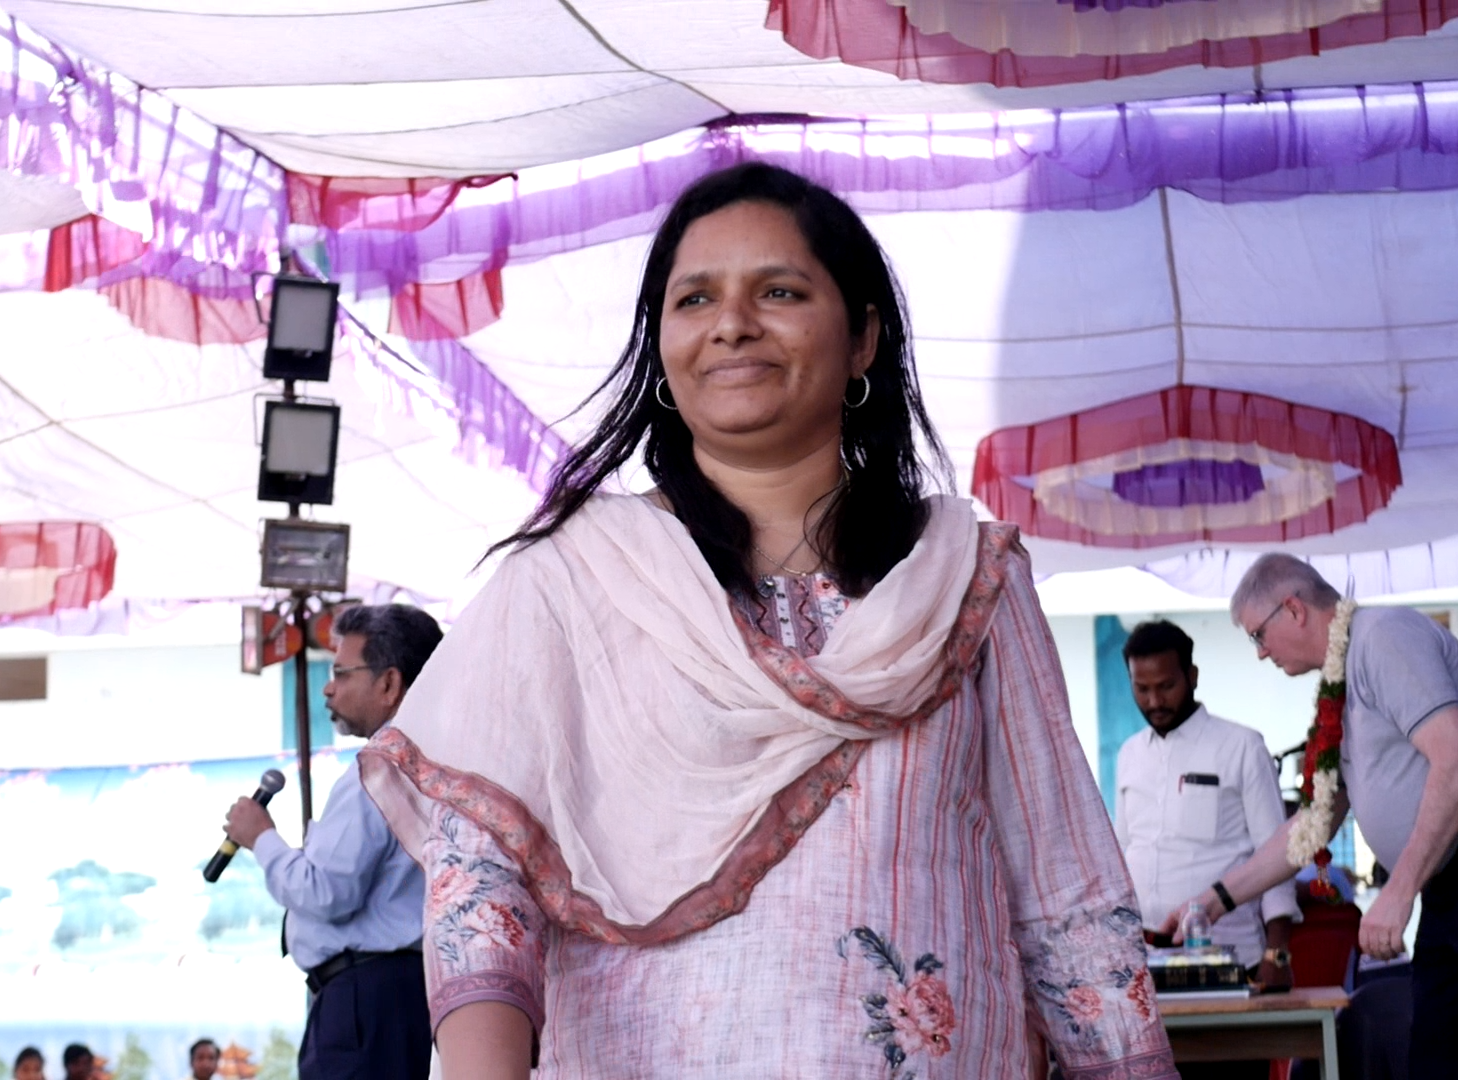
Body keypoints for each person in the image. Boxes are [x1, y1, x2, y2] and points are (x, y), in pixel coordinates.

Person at [358, 163, 1178, 1078]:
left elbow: (1067, 902)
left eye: (779, 291)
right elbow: (481, 876)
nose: (732, 323)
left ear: (862, 335)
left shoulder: (967, 582)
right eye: (695, 298)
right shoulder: (569, 584)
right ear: (661, 347)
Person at [1163, 554, 1458, 1076]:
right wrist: (1214, 901)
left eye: (1258, 635)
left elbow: (1454, 757)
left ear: (1293, 609)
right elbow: (1314, 823)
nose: (1259, 654)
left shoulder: (1382, 636)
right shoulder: (1339, 683)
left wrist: (1399, 888)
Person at [223, 603, 442, 1080]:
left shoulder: (381, 768)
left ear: (388, 683)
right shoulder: (438, 759)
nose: (327, 687)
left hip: (366, 998)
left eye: (341, 673)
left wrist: (261, 838)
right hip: (400, 992)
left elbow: (326, 892)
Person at [1116, 620, 1299, 1079]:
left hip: (1229, 966)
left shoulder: (1241, 746)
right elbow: (1125, 853)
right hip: (1148, 971)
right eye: (1142, 689)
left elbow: (1278, 852)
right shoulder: (1128, 755)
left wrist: (1278, 954)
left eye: (1166, 685)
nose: (1154, 701)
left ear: (1192, 676)